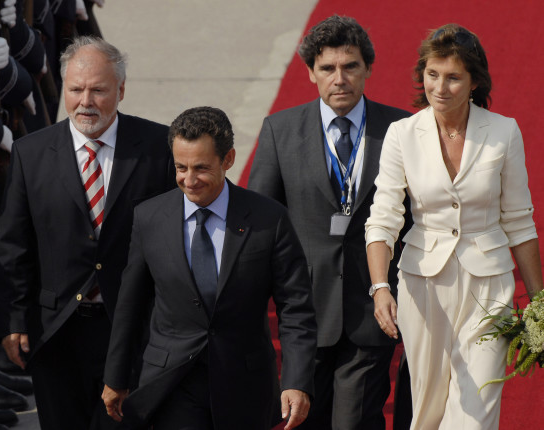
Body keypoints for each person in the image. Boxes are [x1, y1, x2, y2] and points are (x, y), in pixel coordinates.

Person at [0, 36, 175, 430]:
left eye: (98, 90)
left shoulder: (158, 147)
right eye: (75, 89)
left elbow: (174, 242)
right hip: (56, 332)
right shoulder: (31, 153)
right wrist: (15, 319)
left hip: (132, 330)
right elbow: (14, 246)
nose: (85, 101)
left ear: (121, 90)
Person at [365, 23, 544, 430]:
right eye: (432, 74)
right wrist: (380, 287)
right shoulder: (402, 135)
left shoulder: (504, 132)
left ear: (474, 81)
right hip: (421, 283)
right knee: (428, 410)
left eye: (453, 77)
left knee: (476, 410)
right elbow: (384, 217)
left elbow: (519, 221)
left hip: (489, 284)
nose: (440, 87)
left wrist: (539, 303)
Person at [102, 106, 317, 430]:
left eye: (201, 168)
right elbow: (130, 304)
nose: (189, 180)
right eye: (180, 167)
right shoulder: (149, 218)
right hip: (170, 382)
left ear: (228, 160)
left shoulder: (267, 219)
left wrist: (296, 380)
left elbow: (296, 307)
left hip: (244, 383)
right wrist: (116, 377)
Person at [248, 15, 411, 429]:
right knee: (305, 421)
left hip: (373, 308)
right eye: (327, 68)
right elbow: (261, 222)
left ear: (368, 69)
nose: (340, 78)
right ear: (310, 73)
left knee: (355, 421)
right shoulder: (280, 131)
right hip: (304, 313)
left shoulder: (401, 130)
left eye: (350, 66)